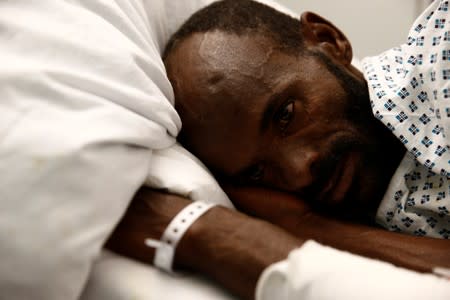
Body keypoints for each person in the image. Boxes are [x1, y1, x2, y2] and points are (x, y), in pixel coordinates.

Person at [107, 1, 450, 299]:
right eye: (257, 171)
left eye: (286, 115)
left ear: (329, 41)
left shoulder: (440, 54)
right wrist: (308, 226)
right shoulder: (367, 226)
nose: (300, 171)